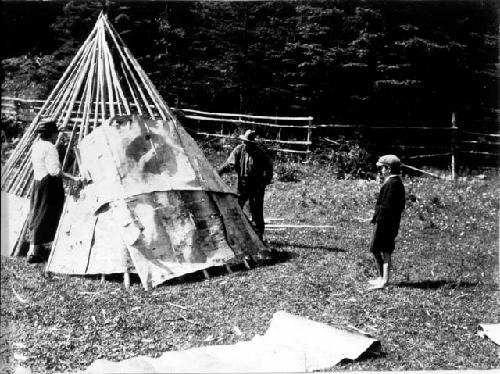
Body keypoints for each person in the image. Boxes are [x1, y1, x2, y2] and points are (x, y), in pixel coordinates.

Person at [27, 119, 80, 263]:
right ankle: (34, 252)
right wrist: (73, 178)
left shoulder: (37, 145)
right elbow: (55, 171)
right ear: (51, 135)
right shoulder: (50, 148)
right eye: (56, 133)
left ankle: (35, 249)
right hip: (48, 184)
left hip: (38, 181)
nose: (57, 136)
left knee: (37, 213)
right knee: (45, 215)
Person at [217, 130, 273, 240]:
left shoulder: (260, 152)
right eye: (245, 142)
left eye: (249, 142)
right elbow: (229, 164)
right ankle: (237, 235)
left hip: (256, 185)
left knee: (256, 211)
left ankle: (258, 237)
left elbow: (269, 166)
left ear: (253, 143)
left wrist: (264, 182)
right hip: (242, 184)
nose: (246, 144)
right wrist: (218, 172)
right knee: (236, 208)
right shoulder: (239, 150)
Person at [368, 154, 405, 290]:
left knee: (385, 251)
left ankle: (384, 281)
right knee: (374, 248)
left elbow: (389, 207)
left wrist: (380, 221)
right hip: (382, 222)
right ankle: (380, 277)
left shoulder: (394, 184)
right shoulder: (391, 182)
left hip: (386, 224)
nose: (381, 171)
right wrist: (374, 218)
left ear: (388, 168)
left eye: (382, 168)